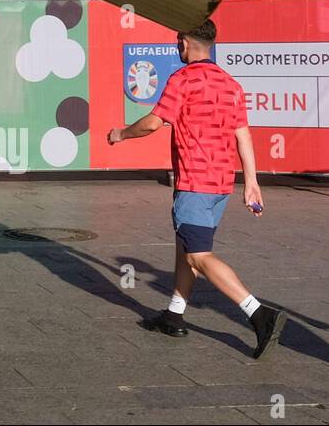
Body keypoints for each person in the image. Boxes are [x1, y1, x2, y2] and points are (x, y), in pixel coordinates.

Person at [108, 19, 285, 359]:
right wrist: (251, 182)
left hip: (194, 182)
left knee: (197, 255)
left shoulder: (183, 79)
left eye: (178, 43)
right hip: (221, 183)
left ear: (184, 44)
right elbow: (242, 134)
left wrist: (121, 134)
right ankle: (174, 313)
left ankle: (259, 314)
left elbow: (152, 124)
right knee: (186, 243)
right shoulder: (230, 83)